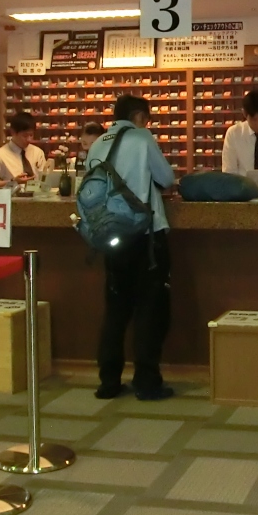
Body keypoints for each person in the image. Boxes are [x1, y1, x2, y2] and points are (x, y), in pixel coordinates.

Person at [85, 94, 175, 401]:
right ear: (139, 117)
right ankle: (147, 382)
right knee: (150, 308)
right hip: (145, 236)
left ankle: (108, 381)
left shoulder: (98, 143)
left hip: (111, 236)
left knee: (116, 309)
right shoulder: (142, 138)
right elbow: (166, 177)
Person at [0, 112, 46, 187]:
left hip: (37, 193)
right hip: (12, 194)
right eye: (25, 135)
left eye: (31, 135)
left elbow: (45, 178)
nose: (29, 139)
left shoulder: (38, 152)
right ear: (13, 132)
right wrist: (13, 182)